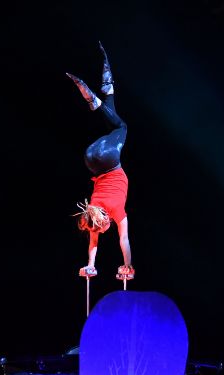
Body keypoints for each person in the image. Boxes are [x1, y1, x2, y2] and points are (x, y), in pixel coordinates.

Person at [67, 42, 134, 281]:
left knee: (122, 126)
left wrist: (129, 264)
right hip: (91, 158)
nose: (103, 232)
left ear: (104, 221)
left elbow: (124, 239)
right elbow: (93, 244)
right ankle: (105, 70)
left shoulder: (115, 212)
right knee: (111, 109)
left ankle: (92, 98)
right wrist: (90, 265)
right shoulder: (92, 208)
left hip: (109, 158)